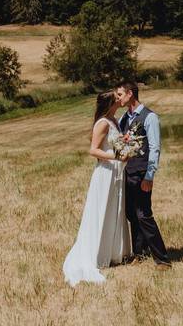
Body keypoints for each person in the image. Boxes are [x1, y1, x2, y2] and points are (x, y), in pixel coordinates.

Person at [62, 92, 132, 286]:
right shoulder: (102, 122)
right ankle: (98, 253)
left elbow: (116, 144)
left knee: (115, 209)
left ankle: (114, 252)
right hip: (106, 173)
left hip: (116, 172)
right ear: (110, 103)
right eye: (117, 97)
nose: (120, 99)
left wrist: (126, 146)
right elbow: (93, 150)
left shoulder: (114, 120)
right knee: (103, 209)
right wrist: (116, 156)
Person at [115, 81, 171, 269]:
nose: (118, 98)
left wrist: (149, 175)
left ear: (130, 94)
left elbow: (155, 148)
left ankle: (162, 258)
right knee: (132, 214)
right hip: (127, 173)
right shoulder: (124, 118)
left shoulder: (150, 117)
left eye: (120, 94)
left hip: (140, 174)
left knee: (143, 214)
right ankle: (139, 252)